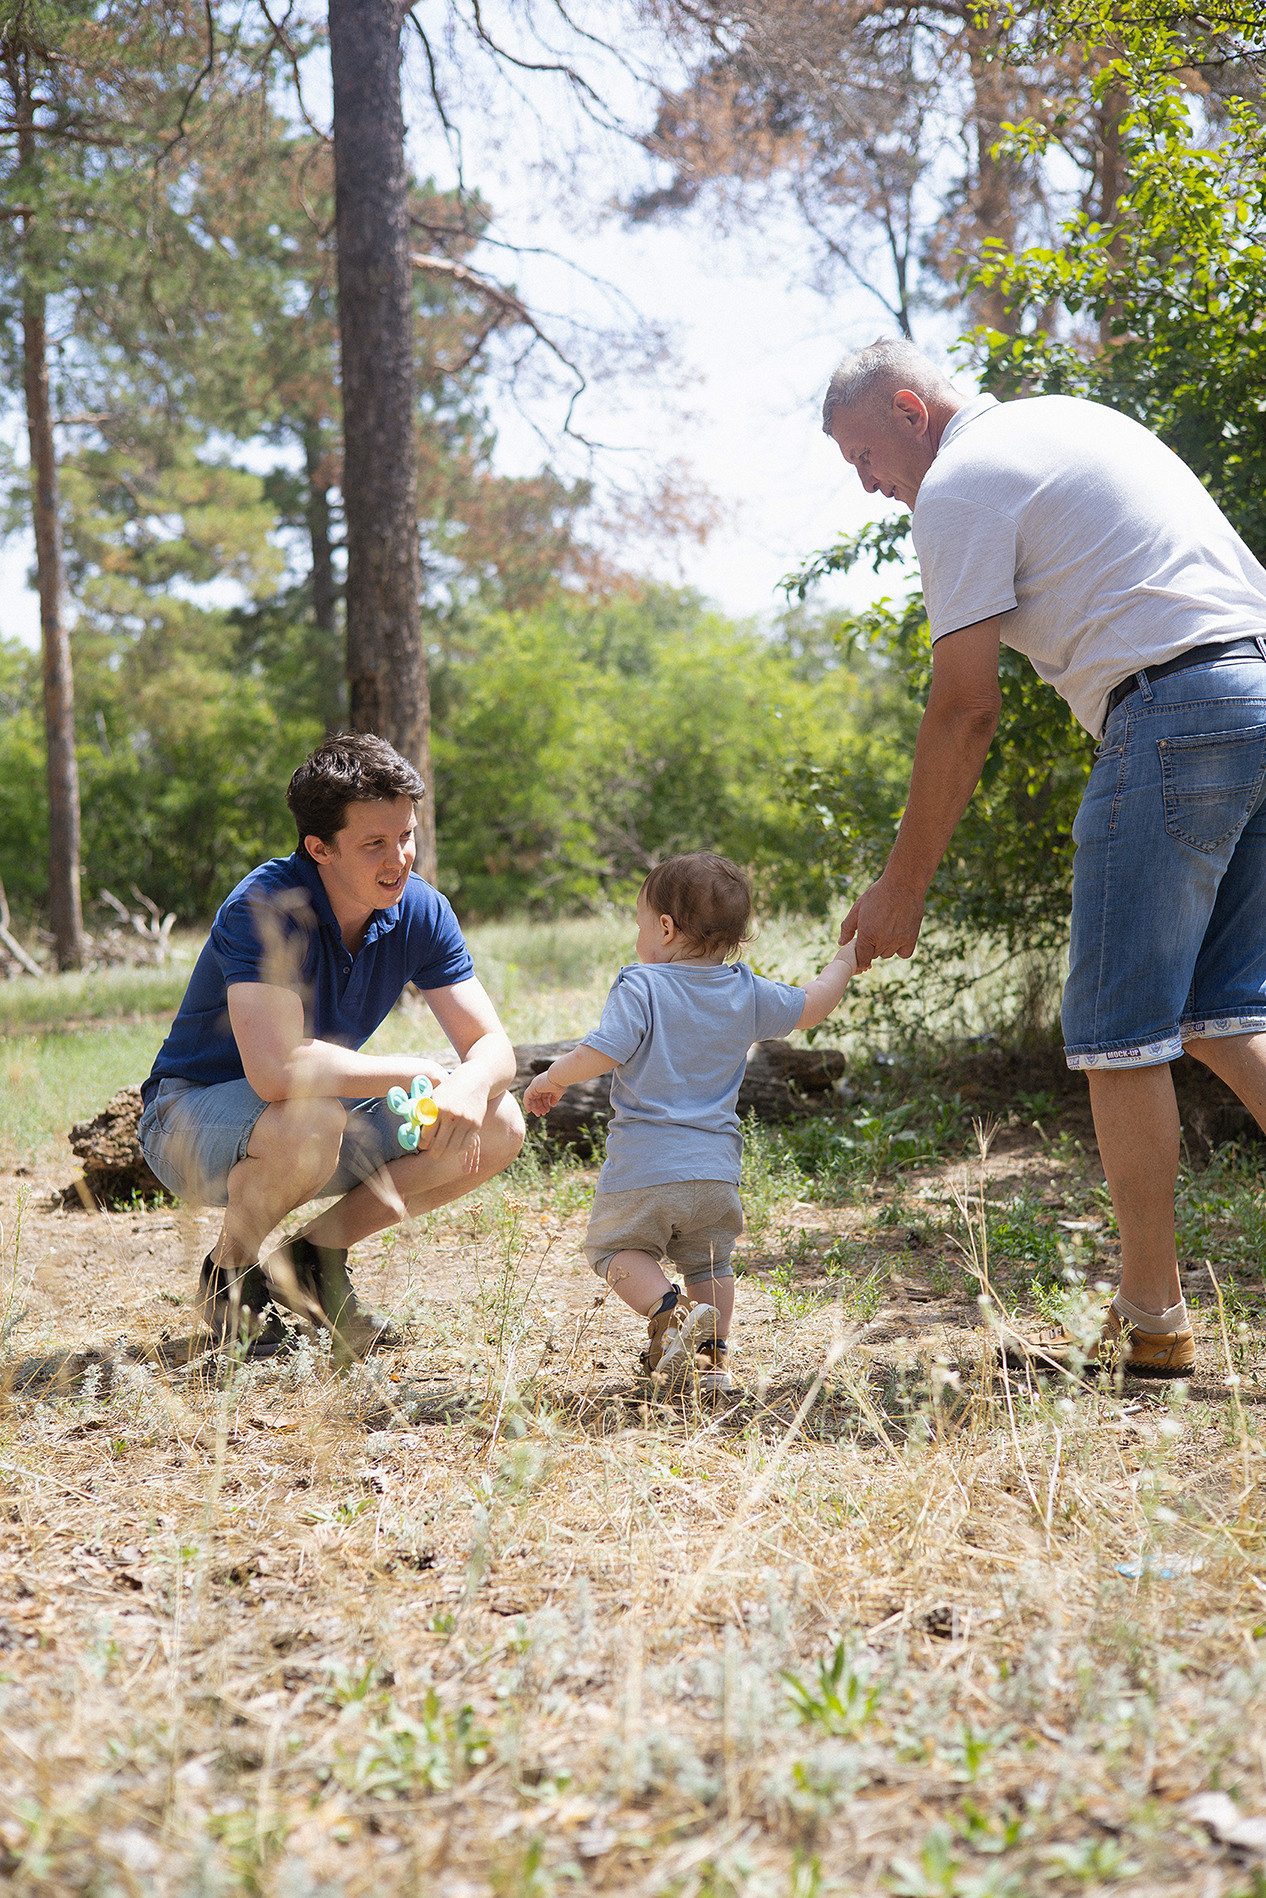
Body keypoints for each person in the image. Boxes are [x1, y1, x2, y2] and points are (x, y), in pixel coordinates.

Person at [821, 336, 1266, 1378]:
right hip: (1256, 691)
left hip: (1173, 710)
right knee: (1226, 1016)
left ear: (907, 407)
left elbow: (966, 709)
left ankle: (1153, 1316)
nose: (868, 483)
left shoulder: (960, 485)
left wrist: (904, 885)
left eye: (863, 454)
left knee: (1120, 1035)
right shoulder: (1068, 419)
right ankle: (1147, 1307)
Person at [138, 733, 524, 1356]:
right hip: (187, 1121)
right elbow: (278, 1073)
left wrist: (470, 1084)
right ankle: (230, 1276)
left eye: (406, 835)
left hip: (309, 1121)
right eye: (374, 843)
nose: (398, 858)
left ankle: (316, 1261)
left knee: (498, 1122)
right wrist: (416, 1071)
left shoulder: (420, 909)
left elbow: (493, 1048)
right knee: (311, 1115)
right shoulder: (265, 906)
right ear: (319, 847)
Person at [522, 853, 857, 1389]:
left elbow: (604, 1049)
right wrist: (848, 956)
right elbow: (814, 1006)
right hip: (716, 1173)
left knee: (613, 1250)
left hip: (644, 1168)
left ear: (664, 927)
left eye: (639, 925)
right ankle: (712, 1365)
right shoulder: (746, 993)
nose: (638, 939)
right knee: (709, 1266)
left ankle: (667, 1313)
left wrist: (553, 1078)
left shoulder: (643, 985)